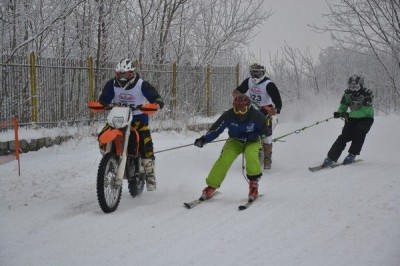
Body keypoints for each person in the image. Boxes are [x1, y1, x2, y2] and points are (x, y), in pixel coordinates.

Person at [98, 58, 164, 191]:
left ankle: (150, 174)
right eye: (119, 74)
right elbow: (104, 98)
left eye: (125, 74)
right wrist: (102, 104)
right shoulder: (112, 84)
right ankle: (109, 158)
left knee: (145, 141)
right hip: (118, 118)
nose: (122, 78)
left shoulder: (141, 85)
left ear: (132, 73)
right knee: (102, 133)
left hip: (138, 119)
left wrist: (156, 102)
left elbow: (155, 96)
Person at [194, 94, 271, 201]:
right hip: (235, 141)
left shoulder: (256, 115)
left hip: (252, 141)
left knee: (251, 154)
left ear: (248, 107)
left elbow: (266, 132)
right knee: (225, 158)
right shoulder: (229, 114)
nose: (239, 112)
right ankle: (211, 186)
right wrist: (204, 140)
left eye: (242, 109)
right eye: (236, 109)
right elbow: (216, 130)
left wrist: (256, 135)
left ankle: (253, 185)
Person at [232, 63, 282, 170]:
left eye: (258, 73)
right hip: (252, 109)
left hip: (266, 111)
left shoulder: (269, 84)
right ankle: (253, 153)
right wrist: (238, 95)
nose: (255, 76)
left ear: (263, 73)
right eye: (253, 73)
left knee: (266, 135)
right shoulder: (248, 81)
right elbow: (238, 90)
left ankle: (267, 158)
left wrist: (275, 109)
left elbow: (278, 101)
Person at [322, 75, 374, 166]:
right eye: (351, 86)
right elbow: (344, 105)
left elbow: (364, 112)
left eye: (356, 86)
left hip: (366, 119)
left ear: (361, 85)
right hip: (352, 118)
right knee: (344, 136)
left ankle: (352, 155)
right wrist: (340, 112)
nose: (353, 89)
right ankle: (331, 157)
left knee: (359, 131)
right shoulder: (347, 94)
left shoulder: (367, 94)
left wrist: (349, 114)